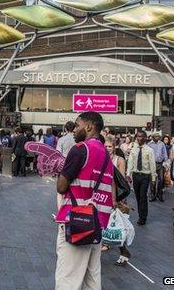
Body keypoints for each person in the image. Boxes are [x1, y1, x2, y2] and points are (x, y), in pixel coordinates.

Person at [55, 112, 114, 289]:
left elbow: (61, 187)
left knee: (68, 278)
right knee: (92, 278)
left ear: (89, 127)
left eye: (77, 124)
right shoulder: (106, 154)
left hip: (77, 221)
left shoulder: (80, 149)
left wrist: (61, 169)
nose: (74, 129)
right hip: (97, 222)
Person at [101, 137, 131, 266]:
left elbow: (121, 181)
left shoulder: (119, 160)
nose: (107, 149)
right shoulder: (101, 158)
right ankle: (105, 244)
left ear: (114, 147)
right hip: (103, 194)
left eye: (110, 146)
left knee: (117, 226)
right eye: (105, 146)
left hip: (116, 196)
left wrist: (116, 200)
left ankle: (124, 252)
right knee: (104, 223)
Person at [126, 130, 156, 225]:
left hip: (145, 176)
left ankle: (143, 217)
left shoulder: (149, 150)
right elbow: (130, 162)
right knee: (138, 197)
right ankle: (140, 214)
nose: (139, 138)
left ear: (145, 138)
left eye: (141, 136)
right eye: (138, 136)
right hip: (135, 175)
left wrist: (153, 178)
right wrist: (128, 175)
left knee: (143, 197)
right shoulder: (133, 149)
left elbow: (152, 165)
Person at [148, 133, 168, 202]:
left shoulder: (161, 144)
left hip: (160, 164)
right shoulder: (149, 144)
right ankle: (152, 195)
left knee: (161, 180)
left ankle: (159, 194)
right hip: (152, 164)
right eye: (155, 136)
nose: (157, 138)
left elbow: (164, 153)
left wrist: (166, 162)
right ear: (153, 137)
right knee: (152, 180)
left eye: (158, 137)